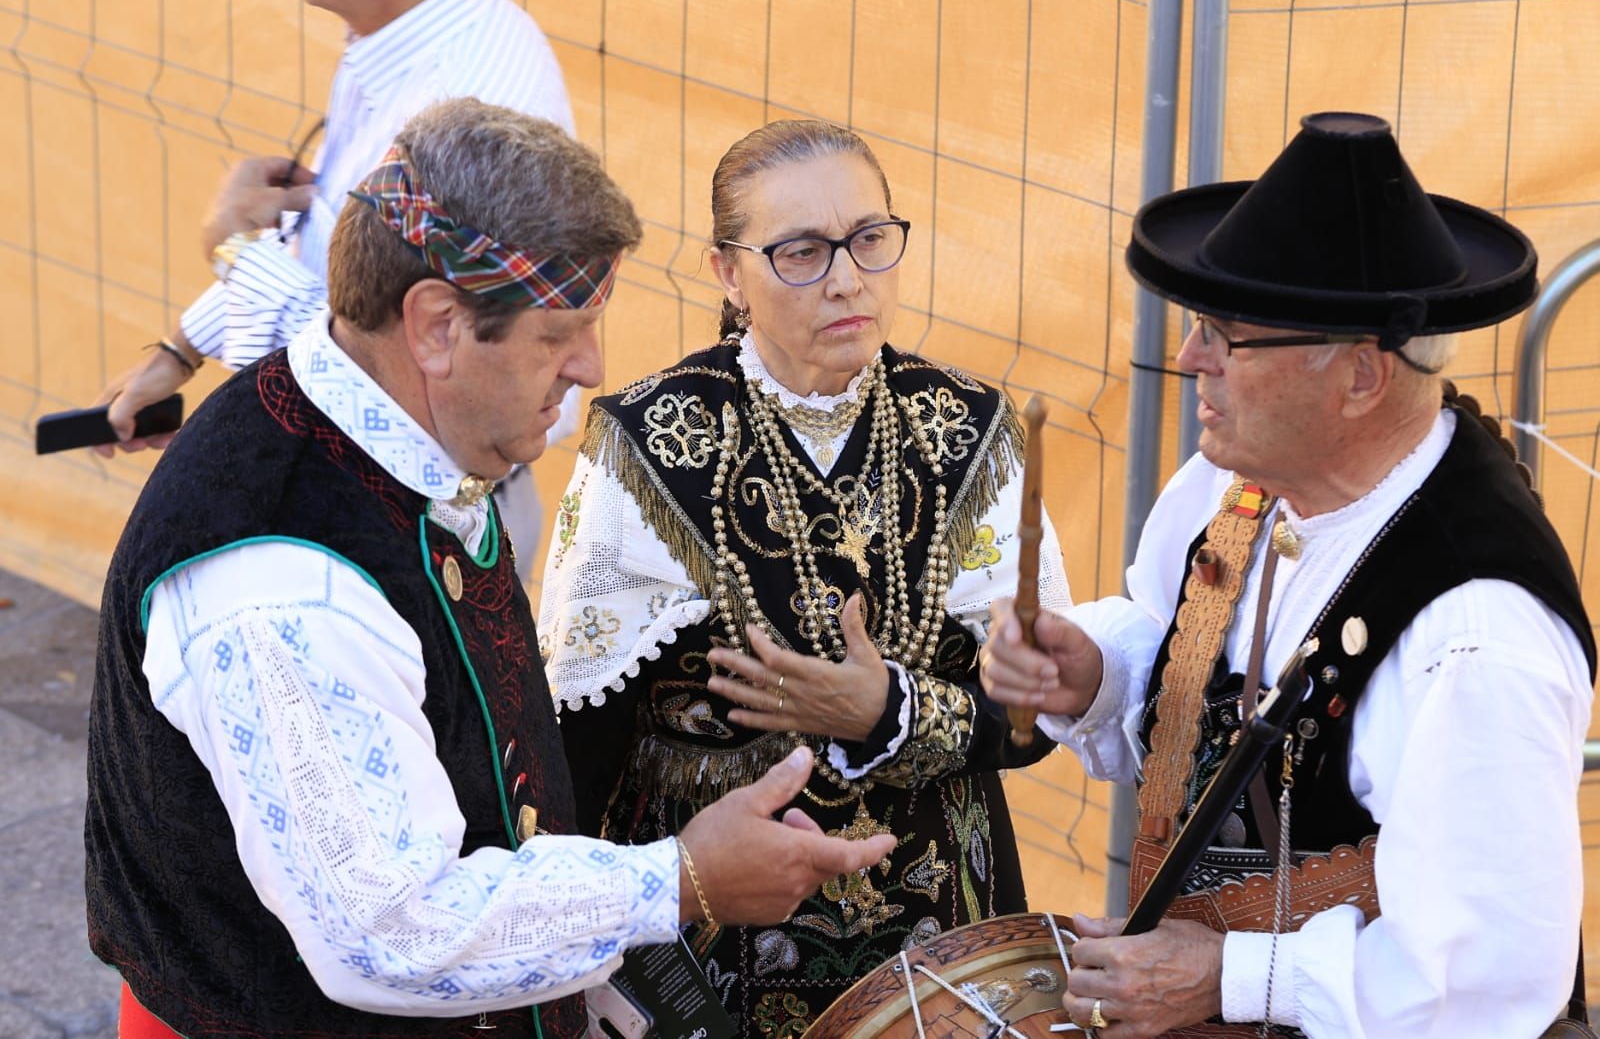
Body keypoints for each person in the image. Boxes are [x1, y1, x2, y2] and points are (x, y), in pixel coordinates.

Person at [86, 99, 895, 1039]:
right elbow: (393, 932)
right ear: (435, 326)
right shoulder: (280, 584)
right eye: (559, 336)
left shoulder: (384, 397)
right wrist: (678, 880)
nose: (591, 368)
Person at [979, 111, 1596, 1037]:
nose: (1189, 360)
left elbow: (1485, 979)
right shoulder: (1234, 482)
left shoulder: (1476, 634)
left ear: (1357, 379)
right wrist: (1093, 671)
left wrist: (1233, 977)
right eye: (1197, 327)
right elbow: (1173, 632)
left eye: (1227, 336)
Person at [540, 118, 1073, 1033]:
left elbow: (1035, 720)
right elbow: (577, 739)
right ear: (726, 272)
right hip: (709, 955)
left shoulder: (971, 431)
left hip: (937, 949)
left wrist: (887, 712)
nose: (845, 277)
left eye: (869, 239)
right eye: (800, 251)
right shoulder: (647, 444)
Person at [91, 0, 578, 580]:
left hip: (418, 533)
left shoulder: (466, 99)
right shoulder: (400, 42)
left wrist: (236, 251)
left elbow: (383, 369)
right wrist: (181, 350)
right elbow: (338, 256)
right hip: (379, 508)